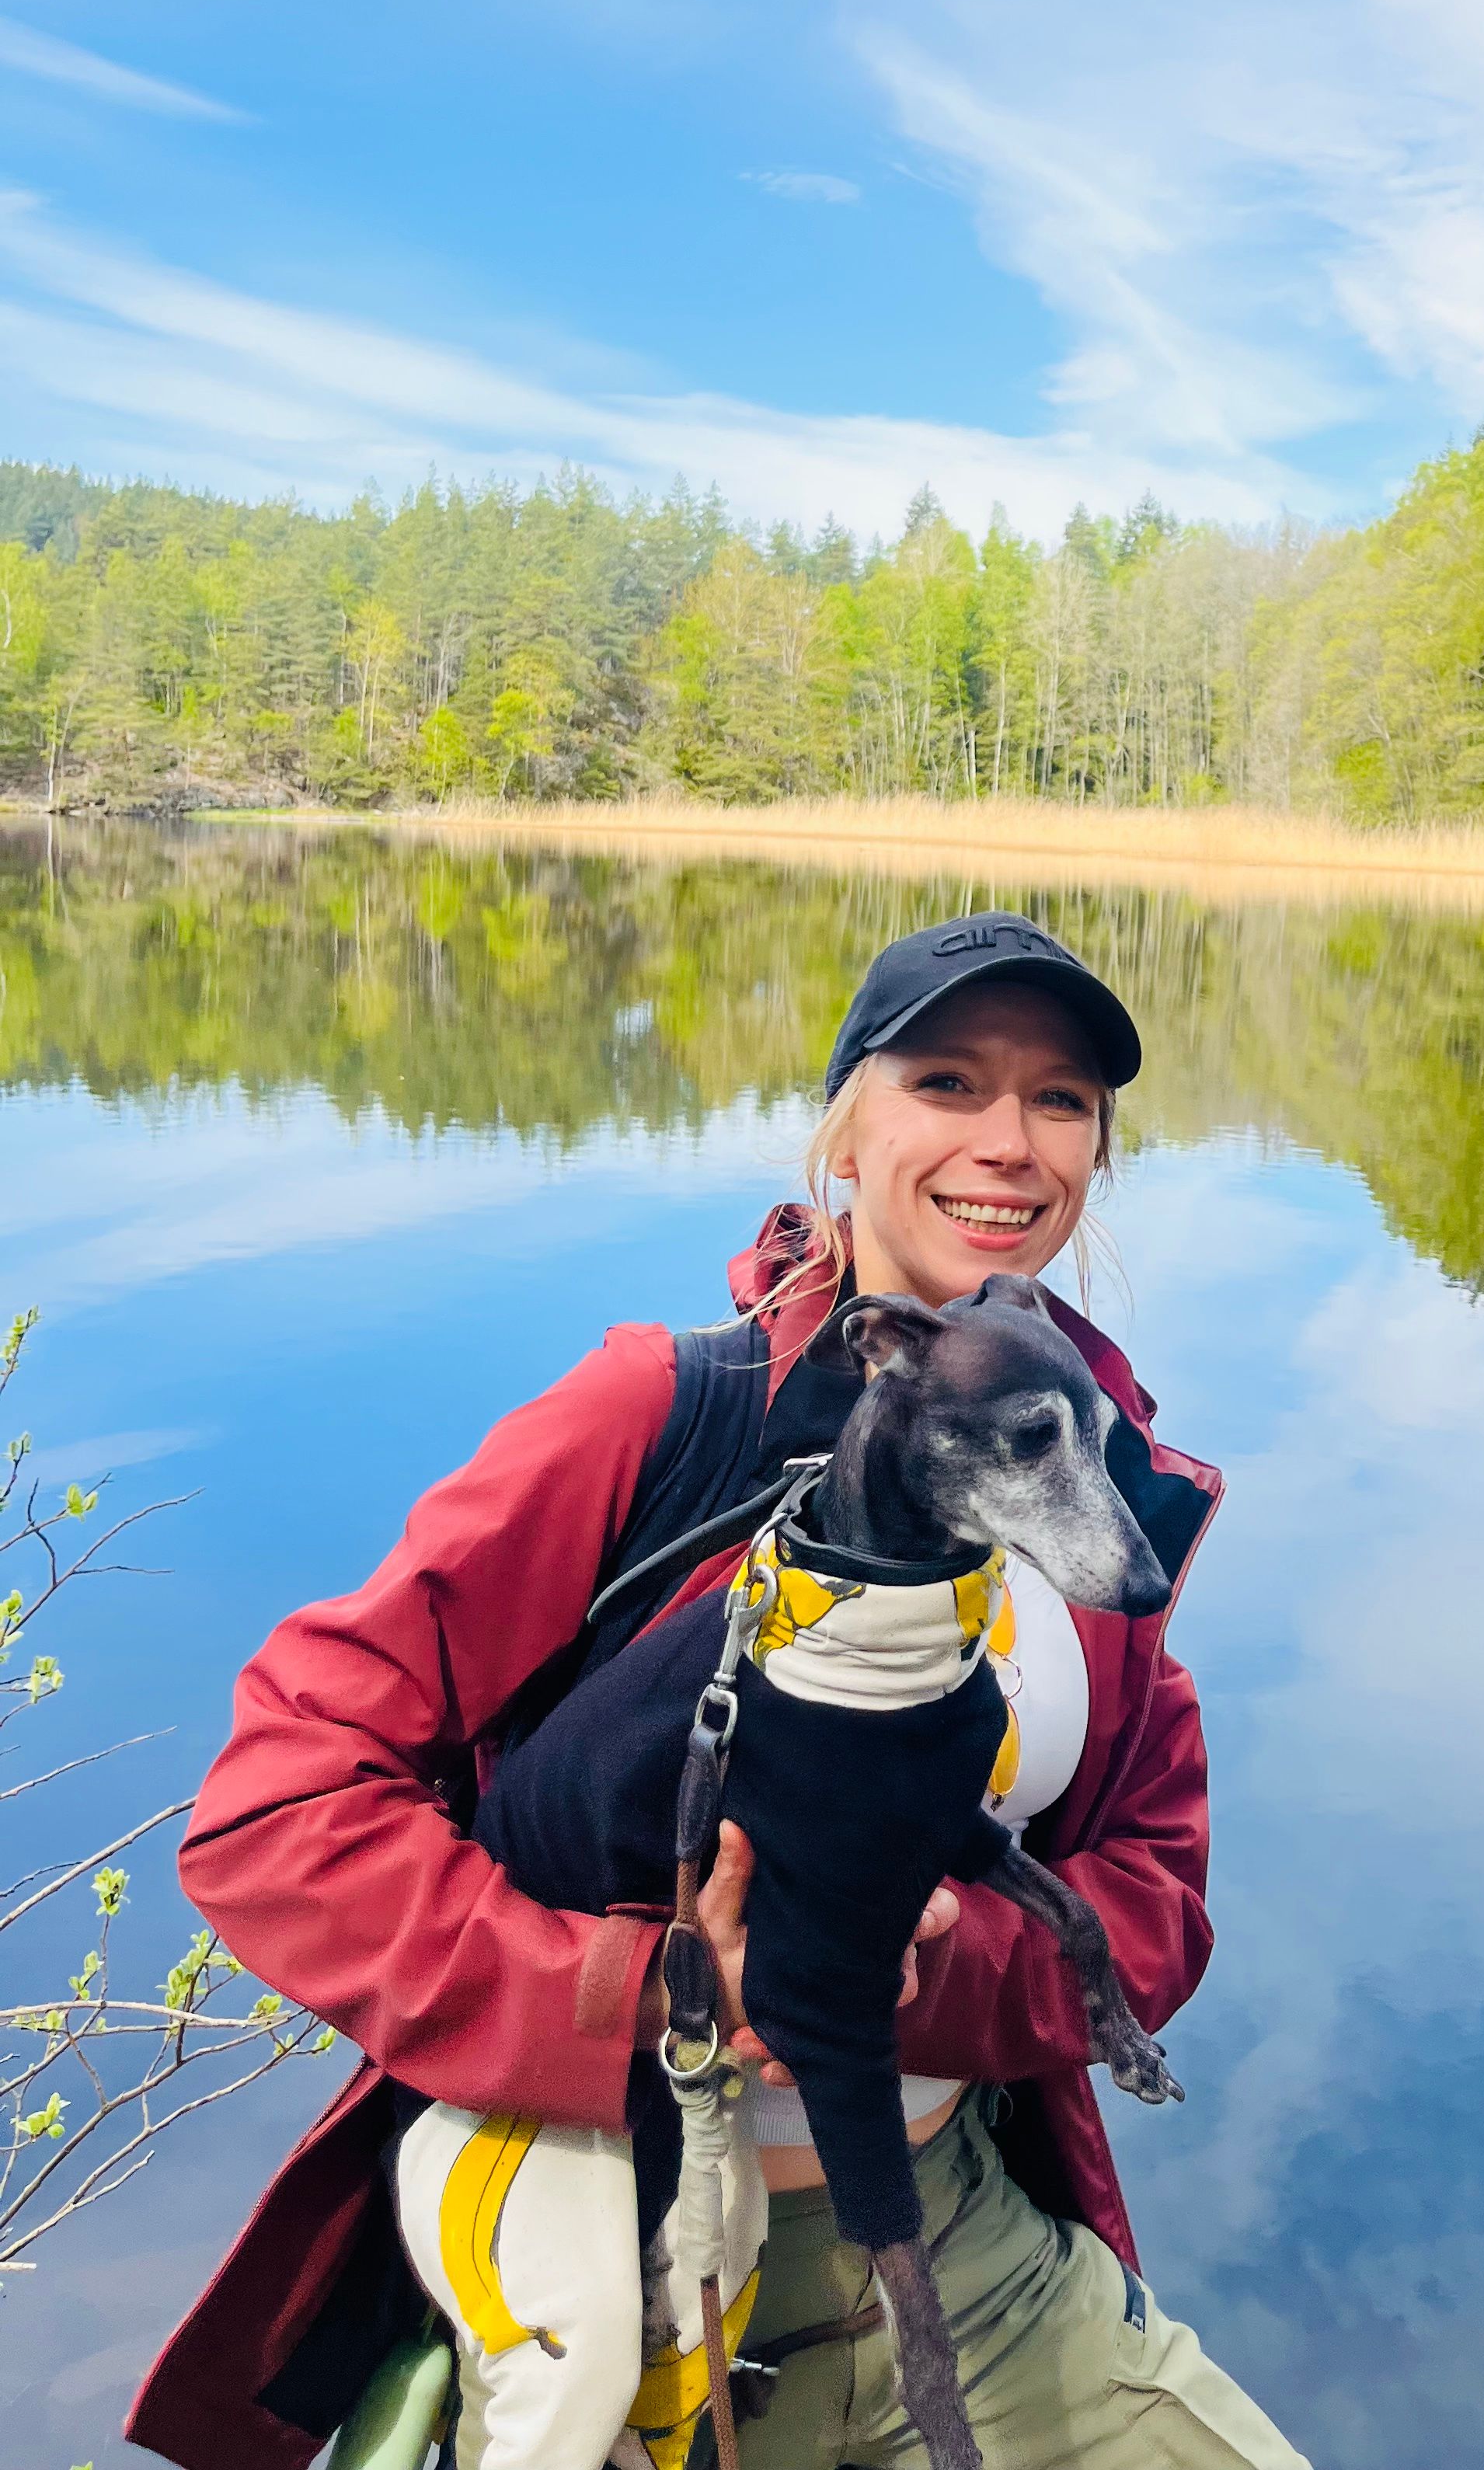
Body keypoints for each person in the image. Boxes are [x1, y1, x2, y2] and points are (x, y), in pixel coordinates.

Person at [128, 911, 1307, 2470]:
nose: (1008, 1144)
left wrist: (935, 1962)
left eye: (1063, 1099)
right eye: (947, 1083)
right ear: (848, 1125)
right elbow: (275, 1807)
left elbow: (1153, 1905)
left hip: (963, 2266)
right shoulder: (665, 1419)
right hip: (605, 2264)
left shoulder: (1097, 1473)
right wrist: (639, 1998)